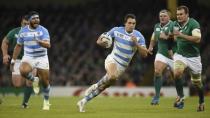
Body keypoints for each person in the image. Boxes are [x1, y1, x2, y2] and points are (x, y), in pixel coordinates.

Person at [77, 14, 149, 112]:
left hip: (122, 67)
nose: (131, 25)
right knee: (112, 77)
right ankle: (95, 85)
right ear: (125, 23)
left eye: (134, 23)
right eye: (129, 23)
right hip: (113, 59)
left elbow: (144, 54)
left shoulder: (139, 36)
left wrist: (136, 43)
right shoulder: (116, 30)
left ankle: (83, 101)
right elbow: (99, 41)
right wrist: (103, 42)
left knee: (105, 86)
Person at [11, 11, 51, 110]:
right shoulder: (23, 31)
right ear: (29, 21)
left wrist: (39, 41)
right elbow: (18, 46)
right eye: (34, 18)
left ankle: (46, 102)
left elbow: (48, 45)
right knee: (23, 70)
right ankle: (35, 79)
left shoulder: (43, 30)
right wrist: (13, 60)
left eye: (37, 18)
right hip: (29, 57)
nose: (36, 20)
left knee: (45, 82)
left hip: (42, 57)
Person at [171, 6, 204, 111]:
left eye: (181, 14)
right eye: (177, 14)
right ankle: (181, 97)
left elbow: (197, 39)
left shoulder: (194, 24)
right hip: (180, 55)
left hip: (194, 57)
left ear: (187, 14)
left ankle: (201, 101)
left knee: (197, 83)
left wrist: (182, 35)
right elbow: (175, 37)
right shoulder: (175, 24)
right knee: (176, 73)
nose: (179, 16)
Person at [1, 15, 38, 108]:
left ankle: (25, 104)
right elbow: (5, 42)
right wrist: (5, 55)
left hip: (31, 59)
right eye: (25, 24)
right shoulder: (14, 32)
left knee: (29, 81)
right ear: (21, 22)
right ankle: (32, 78)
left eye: (28, 24)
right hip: (17, 60)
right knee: (17, 84)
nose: (26, 26)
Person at [148, 9, 174, 105]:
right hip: (161, 53)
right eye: (160, 16)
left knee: (176, 77)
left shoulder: (173, 24)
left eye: (164, 16)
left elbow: (177, 36)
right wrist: (151, 47)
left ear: (169, 17)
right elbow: (154, 37)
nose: (162, 18)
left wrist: (167, 35)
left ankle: (180, 96)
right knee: (157, 71)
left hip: (174, 55)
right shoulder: (157, 26)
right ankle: (157, 97)